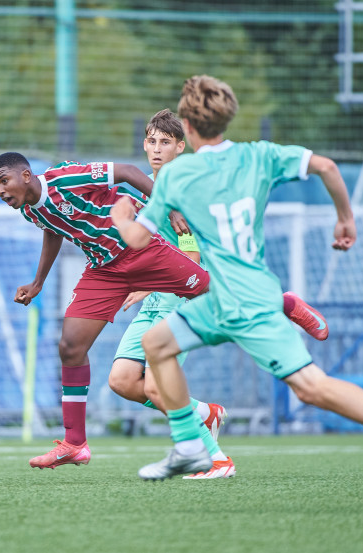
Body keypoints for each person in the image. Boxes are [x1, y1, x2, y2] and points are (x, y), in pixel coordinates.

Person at [111, 75, 363, 495]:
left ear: (188, 129)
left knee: (311, 387)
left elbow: (138, 239)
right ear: (226, 119)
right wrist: (345, 217)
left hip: (240, 301)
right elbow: (326, 166)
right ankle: (190, 445)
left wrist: (123, 216)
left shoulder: (181, 176)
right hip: (230, 296)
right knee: (157, 345)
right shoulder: (260, 155)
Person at [0, 149, 326, 471]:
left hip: (144, 253)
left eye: (4, 181)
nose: (1, 190)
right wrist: (38, 283)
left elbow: (127, 172)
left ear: (26, 174)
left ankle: (285, 304)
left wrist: (171, 209)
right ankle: (75, 443)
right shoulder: (31, 210)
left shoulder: (66, 178)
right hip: (105, 270)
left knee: (220, 305)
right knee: (71, 347)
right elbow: (54, 230)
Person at [108, 109, 330, 479]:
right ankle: (203, 413)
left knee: (156, 385)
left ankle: (216, 460)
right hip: (155, 299)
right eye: (151, 141)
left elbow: (190, 254)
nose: (156, 148)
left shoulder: (187, 186)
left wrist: (147, 281)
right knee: (122, 381)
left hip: (180, 294)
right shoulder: (145, 187)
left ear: (182, 146)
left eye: (166, 142)